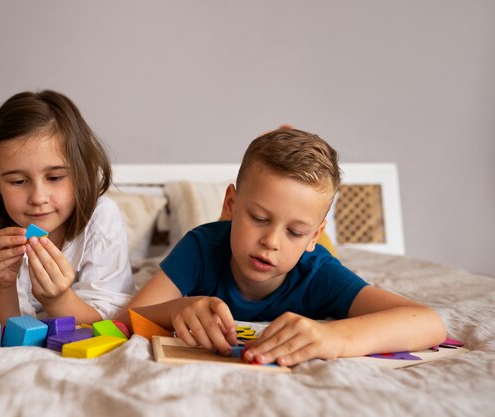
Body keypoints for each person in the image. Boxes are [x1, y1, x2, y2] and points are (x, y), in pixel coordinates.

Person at [120, 127, 446, 367]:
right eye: (259, 218)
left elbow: (428, 322)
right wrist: (175, 309)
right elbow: (128, 317)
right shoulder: (201, 247)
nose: (271, 242)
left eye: (295, 231)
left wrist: (334, 337)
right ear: (232, 203)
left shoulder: (317, 271)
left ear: (314, 236)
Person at [0, 90, 134, 326]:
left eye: (55, 177)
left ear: (81, 172)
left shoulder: (101, 217)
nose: (38, 198)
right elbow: (1, 329)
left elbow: (107, 323)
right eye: (18, 182)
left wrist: (58, 300)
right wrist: (3, 285)